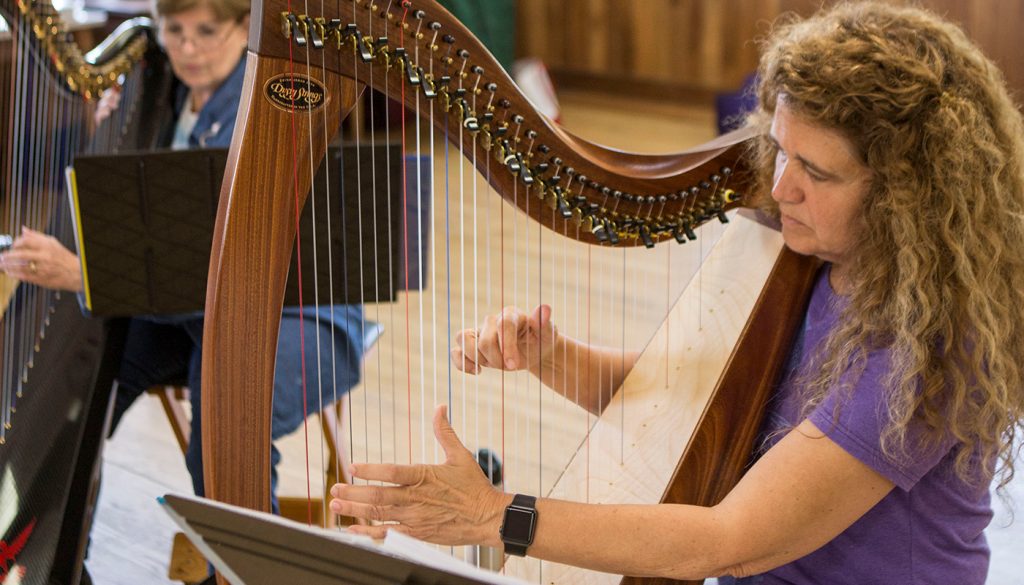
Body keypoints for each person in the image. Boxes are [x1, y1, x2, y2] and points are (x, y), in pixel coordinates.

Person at [327, 2, 1024, 582]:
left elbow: (728, 539)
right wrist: (554, 356)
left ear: (907, 196)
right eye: (780, 149)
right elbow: (690, 407)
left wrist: (496, 515)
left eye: (817, 170)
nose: (780, 186)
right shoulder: (815, 252)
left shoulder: (929, 348)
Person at [0, 0, 366, 511]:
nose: (188, 48)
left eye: (207, 30)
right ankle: (52, 559)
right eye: (175, 30)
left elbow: (233, 268)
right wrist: (102, 125)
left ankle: (240, 565)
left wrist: (87, 277)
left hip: (292, 311)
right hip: (180, 308)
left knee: (224, 427)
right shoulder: (159, 91)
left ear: (245, 29)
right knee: (66, 396)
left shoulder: (271, 107)